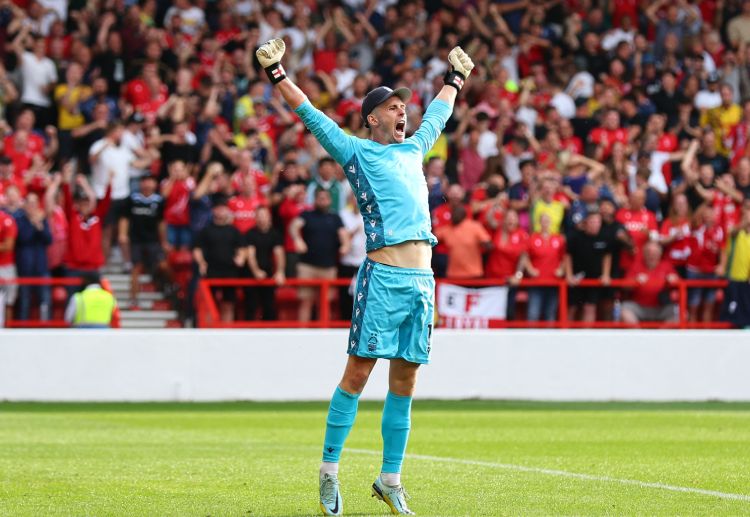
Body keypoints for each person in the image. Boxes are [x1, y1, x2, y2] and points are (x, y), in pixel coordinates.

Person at [256, 38, 473, 514]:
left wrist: (455, 79)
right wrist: (276, 73)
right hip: (384, 277)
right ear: (373, 117)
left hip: (422, 282)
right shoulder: (356, 152)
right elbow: (311, 114)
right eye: (394, 107)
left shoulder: (416, 148)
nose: (403, 113)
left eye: (404, 107)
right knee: (357, 373)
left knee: (407, 380)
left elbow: (439, 112)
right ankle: (328, 473)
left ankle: (389, 478)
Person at [289, 189, 349, 322]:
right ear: (315, 200)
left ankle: (325, 335)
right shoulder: (306, 215)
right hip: (307, 266)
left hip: (328, 267)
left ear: (329, 200)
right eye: (320, 198)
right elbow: (293, 226)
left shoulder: (335, 218)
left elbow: (344, 234)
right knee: (305, 302)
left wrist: (345, 245)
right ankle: (302, 335)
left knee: (325, 304)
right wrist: (297, 239)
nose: (323, 201)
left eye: (325, 198)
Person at [621, 241, 680, 325]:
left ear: (660, 254)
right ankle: (640, 336)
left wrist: (674, 280)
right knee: (624, 309)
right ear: (644, 254)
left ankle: (659, 336)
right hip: (640, 306)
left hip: (661, 308)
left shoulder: (667, 266)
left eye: (655, 253)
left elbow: (679, 284)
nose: (652, 255)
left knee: (681, 314)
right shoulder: (636, 265)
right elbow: (624, 286)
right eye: (649, 252)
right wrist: (635, 281)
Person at [244, 205, 285, 321]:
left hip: (268, 273)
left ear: (269, 217)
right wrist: (256, 271)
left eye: (264, 216)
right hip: (251, 275)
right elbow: (250, 255)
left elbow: (279, 254)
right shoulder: (250, 234)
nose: (262, 219)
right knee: (251, 306)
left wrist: (280, 271)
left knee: (269, 306)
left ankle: (271, 335)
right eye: (259, 216)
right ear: (255, 218)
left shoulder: (275, 234)